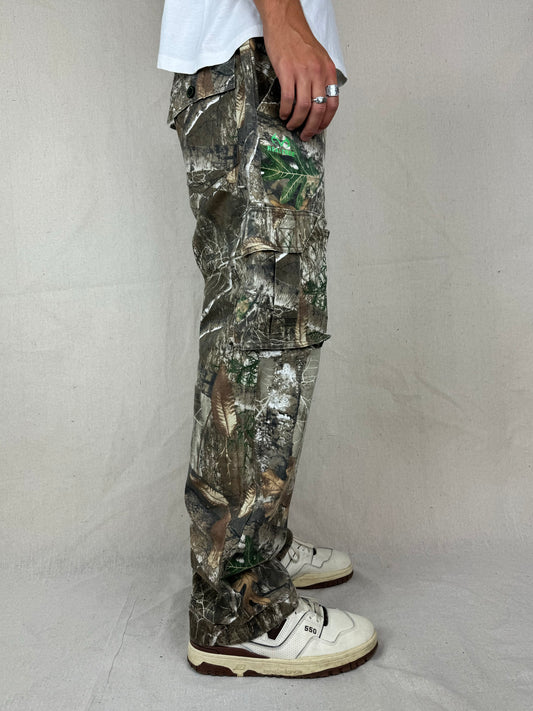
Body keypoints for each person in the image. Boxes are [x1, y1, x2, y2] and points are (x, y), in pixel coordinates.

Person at [157, 0, 378, 678]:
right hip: (248, 57)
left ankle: (258, 548)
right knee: (260, 326)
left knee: (275, 321)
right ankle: (239, 611)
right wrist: (282, 20)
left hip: (250, 61)